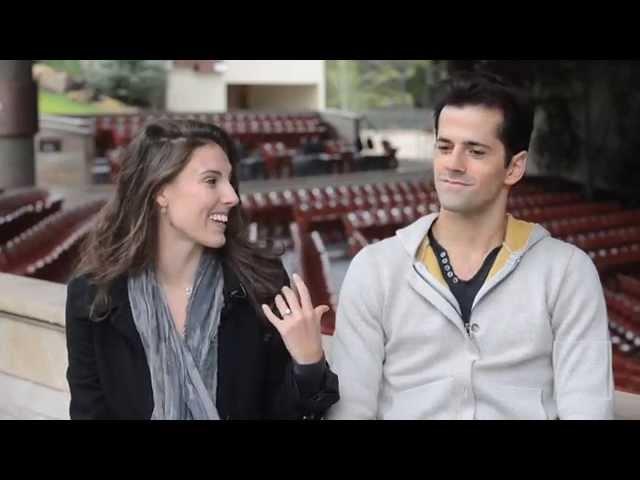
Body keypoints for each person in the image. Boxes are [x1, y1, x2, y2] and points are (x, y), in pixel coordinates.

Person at [327, 72, 613, 420]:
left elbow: (587, 408)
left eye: (475, 151)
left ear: (514, 167)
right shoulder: (375, 269)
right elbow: (351, 408)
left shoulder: (567, 272)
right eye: (444, 147)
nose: (453, 164)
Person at [65, 118, 339, 420]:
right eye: (211, 181)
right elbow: (88, 412)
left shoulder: (261, 282)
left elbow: (284, 413)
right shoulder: (93, 294)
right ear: (160, 192)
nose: (232, 197)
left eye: (229, 180)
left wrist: (308, 364)